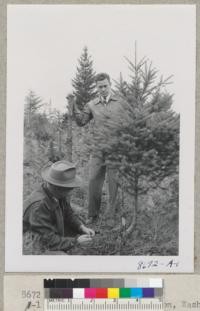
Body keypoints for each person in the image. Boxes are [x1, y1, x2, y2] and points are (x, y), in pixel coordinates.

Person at [72, 73, 124, 224]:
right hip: (98, 149)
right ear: (96, 87)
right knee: (94, 180)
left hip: (116, 149)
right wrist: (73, 105)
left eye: (105, 86)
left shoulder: (120, 102)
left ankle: (111, 216)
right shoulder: (92, 105)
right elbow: (81, 121)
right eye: (99, 87)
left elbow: (128, 121)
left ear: (110, 85)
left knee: (113, 182)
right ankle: (92, 215)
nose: (103, 89)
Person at [23, 160, 95, 254]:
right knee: (62, 257)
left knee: (76, 230)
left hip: (48, 231)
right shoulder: (39, 207)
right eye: (69, 188)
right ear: (58, 188)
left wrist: (81, 227)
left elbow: (68, 214)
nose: (71, 191)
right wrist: (76, 241)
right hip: (34, 243)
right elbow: (48, 241)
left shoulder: (57, 193)